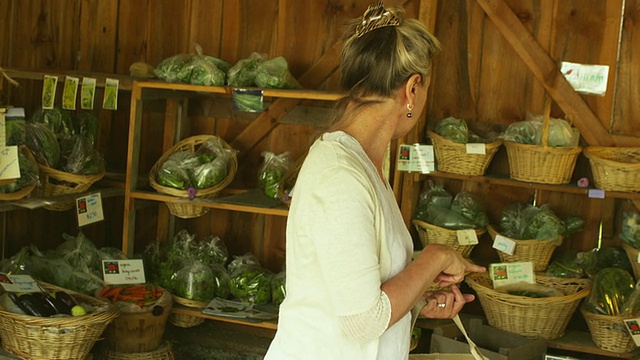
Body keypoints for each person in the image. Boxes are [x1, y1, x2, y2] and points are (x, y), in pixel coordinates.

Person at [264, 3, 486, 359]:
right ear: (412, 90)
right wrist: (435, 256)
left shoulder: (364, 165)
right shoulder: (341, 176)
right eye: (425, 89)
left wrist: (416, 301)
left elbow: (361, 295)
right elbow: (363, 321)